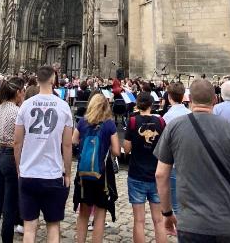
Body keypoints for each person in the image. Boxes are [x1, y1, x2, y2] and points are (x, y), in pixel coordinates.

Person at [155, 79, 230, 242]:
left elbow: (161, 174)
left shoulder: (174, 127)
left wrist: (167, 213)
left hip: (192, 226)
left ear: (190, 101)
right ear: (215, 100)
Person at [13, 65, 73, 243]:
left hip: (29, 172)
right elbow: (68, 145)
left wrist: (19, 169)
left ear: (37, 80)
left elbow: (17, 142)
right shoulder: (63, 106)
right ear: (54, 80)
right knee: (53, 226)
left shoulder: (25, 105)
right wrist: (68, 173)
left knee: (29, 229)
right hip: (53, 174)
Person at [73, 93, 119, 243]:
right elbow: (117, 151)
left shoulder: (83, 122)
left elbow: (74, 140)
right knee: (100, 214)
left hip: (83, 174)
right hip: (102, 175)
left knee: (83, 213)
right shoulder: (109, 124)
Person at [125, 91, 167, 243]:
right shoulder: (161, 122)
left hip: (137, 173)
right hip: (156, 174)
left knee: (139, 221)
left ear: (138, 104)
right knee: (159, 221)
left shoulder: (132, 121)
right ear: (151, 104)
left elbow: (127, 149)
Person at [0, 78, 24, 243]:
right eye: (22, 91)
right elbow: (19, 140)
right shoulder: (17, 112)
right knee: (9, 207)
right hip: (10, 156)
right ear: (17, 93)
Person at [161, 82, 189, 216]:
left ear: (169, 97)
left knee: (176, 204)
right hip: (190, 162)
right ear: (183, 96)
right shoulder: (190, 113)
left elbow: (163, 144)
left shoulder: (166, 117)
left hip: (174, 162)